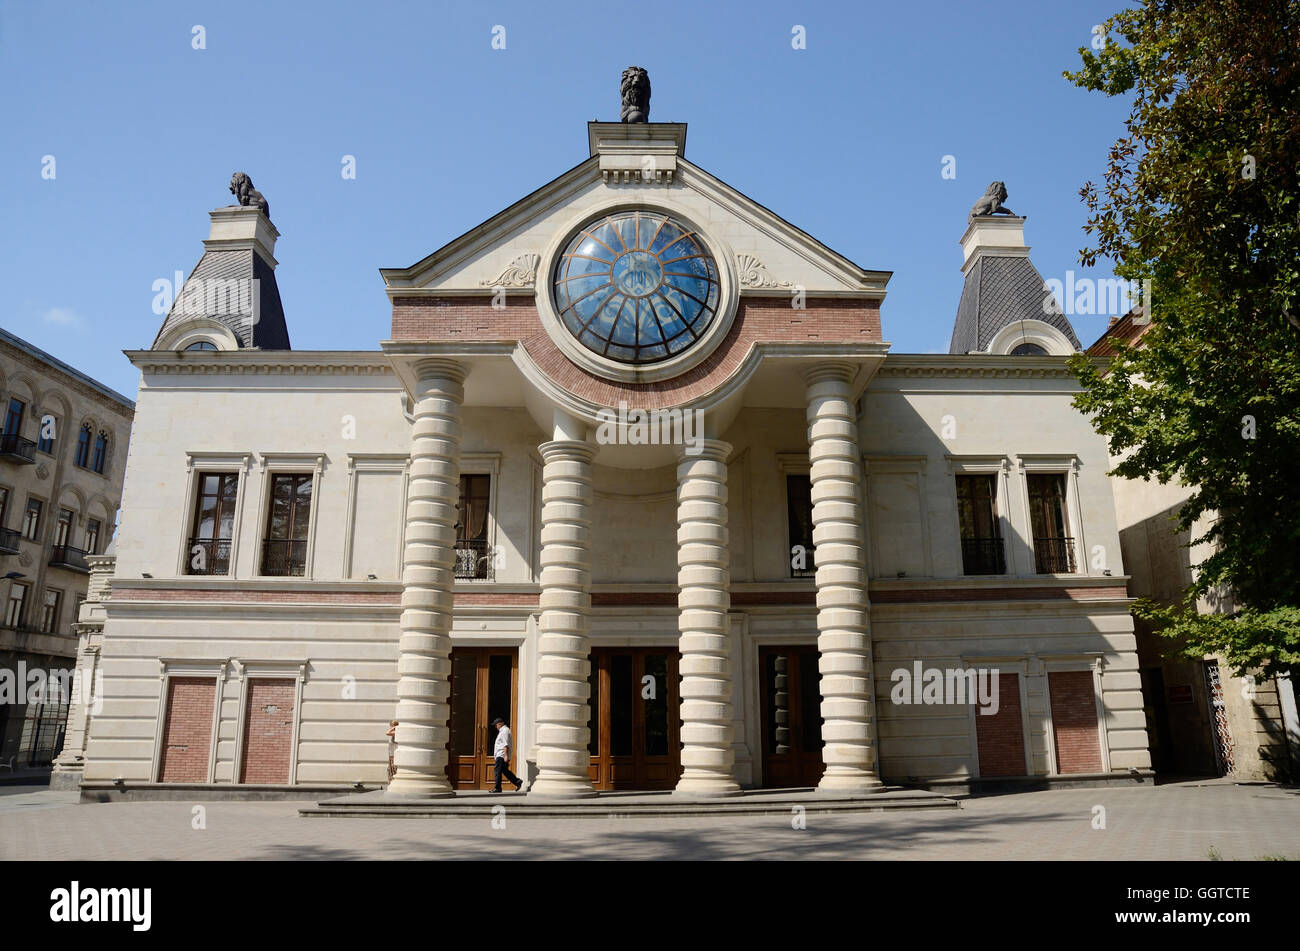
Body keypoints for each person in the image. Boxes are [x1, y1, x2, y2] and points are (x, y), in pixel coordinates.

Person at [490, 716, 523, 792]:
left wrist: (505, 755)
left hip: (501, 755)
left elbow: (505, 744)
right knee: (505, 771)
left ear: (500, 723)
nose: (496, 726)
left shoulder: (504, 731)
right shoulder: (504, 731)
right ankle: (517, 781)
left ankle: (497, 788)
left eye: (496, 724)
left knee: (497, 771)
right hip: (501, 755)